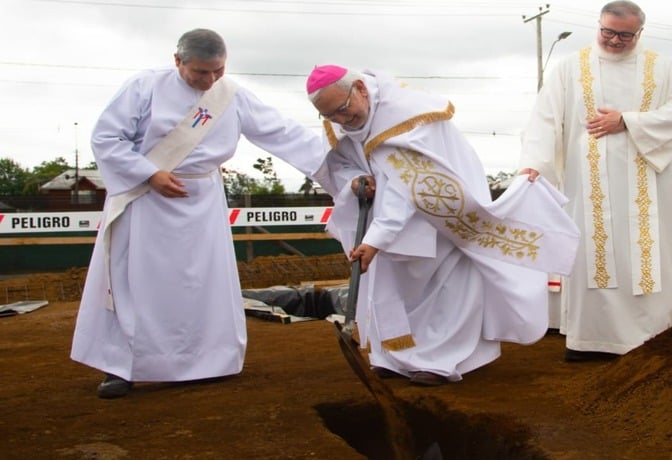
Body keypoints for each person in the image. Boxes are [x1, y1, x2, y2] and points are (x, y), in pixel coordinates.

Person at [71, 29, 327, 398]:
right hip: (147, 199)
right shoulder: (144, 86)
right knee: (136, 283)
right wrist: (150, 173)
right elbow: (107, 139)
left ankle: (207, 362)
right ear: (178, 61)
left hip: (202, 199)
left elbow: (283, 133)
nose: (209, 80)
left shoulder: (230, 95)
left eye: (217, 71)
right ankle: (123, 368)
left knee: (200, 285)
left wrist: (340, 163)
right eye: (200, 73)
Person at [306, 65, 579, 386]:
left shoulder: (407, 118)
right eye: (330, 117)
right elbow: (340, 167)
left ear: (361, 90)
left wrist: (376, 240)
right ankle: (393, 357)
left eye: (342, 111)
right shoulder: (344, 121)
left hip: (441, 218)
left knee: (446, 292)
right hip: (384, 218)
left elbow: (407, 189)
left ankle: (439, 360)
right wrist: (355, 180)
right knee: (390, 287)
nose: (340, 121)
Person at [519, 1, 672, 361]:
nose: (615, 40)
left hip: (647, 181)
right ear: (598, 26)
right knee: (592, 254)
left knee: (646, 256)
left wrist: (628, 121)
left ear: (640, 33)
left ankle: (653, 337)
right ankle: (592, 340)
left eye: (624, 35)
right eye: (608, 32)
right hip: (587, 186)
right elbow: (545, 118)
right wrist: (534, 163)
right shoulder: (571, 67)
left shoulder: (661, 68)